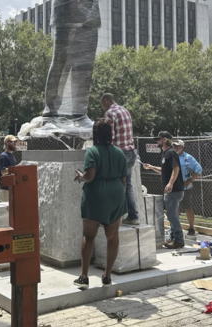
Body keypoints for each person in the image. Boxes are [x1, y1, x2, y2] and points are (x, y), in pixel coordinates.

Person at [73, 120, 128, 289]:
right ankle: (107, 276)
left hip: (96, 195)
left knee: (89, 236)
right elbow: (124, 179)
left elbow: (90, 176)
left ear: (95, 134)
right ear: (110, 134)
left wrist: (80, 176)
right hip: (117, 194)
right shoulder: (120, 153)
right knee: (112, 237)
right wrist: (118, 195)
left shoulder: (92, 151)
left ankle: (84, 277)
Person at [101, 93, 139, 225]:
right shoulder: (125, 110)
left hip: (119, 154)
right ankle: (133, 216)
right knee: (127, 185)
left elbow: (109, 137)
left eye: (102, 105)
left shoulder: (110, 113)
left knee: (113, 185)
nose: (102, 108)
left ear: (106, 101)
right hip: (130, 152)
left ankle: (112, 218)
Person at [142, 132, 185, 249]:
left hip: (174, 190)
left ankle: (179, 240)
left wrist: (170, 183)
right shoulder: (165, 154)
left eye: (158, 139)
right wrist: (151, 167)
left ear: (164, 139)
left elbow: (175, 169)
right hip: (171, 190)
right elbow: (164, 170)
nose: (157, 142)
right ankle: (172, 238)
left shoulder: (171, 153)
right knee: (171, 214)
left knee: (172, 215)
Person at [172, 139, 203, 237]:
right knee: (174, 208)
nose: (176, 148)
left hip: (185, 189)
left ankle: (191, 228)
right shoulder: (171, 156)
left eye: (178, 146)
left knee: (187, 208)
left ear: (182, 147)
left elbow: (198, 169)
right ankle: (176, 228)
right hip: (173, 187)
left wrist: (191, 180)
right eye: (174, 146)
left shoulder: (188, 157)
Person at [0, 135, 19, 202]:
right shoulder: (3, 156)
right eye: (13, 141)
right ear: (7, 143)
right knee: (6, 212)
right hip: (6, 190)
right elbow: (3, 172)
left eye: (16, 141)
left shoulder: (12, 156)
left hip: (11, 189)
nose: (15, 143)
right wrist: (16, 167)